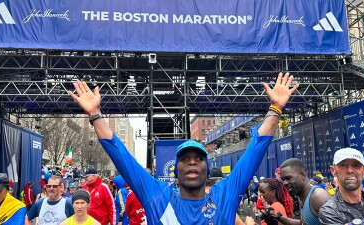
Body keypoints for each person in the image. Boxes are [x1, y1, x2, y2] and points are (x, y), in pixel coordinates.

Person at [69, 72, 298, 224]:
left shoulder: (224, 196)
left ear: (207, 169)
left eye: (198, 158)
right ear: (175, 171)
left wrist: (275, 109)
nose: (191, 162)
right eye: (185, 158)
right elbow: (121, 156)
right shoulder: (158, 196)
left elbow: (255, 149)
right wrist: (96, 115)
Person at [319, 147, 364, 224]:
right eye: (343, 165)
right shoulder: (329, 211)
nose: (350, 170)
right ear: (333, 171)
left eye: (356, 165)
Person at [264, 158, 331, 225]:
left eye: (288, 178)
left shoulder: (318, 197)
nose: (284, 183)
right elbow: (303, 223)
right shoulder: (302, 197)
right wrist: (278, 217)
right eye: (283, 179)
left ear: (302, 175)